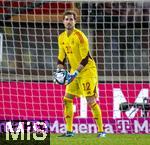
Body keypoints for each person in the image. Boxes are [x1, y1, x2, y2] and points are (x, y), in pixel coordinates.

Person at [56, 10, 105, 138]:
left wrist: (75, 73)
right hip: (74, 70)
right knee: (67, 99)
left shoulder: (80, 36)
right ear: (63, 21)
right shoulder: (61, 37)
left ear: (75, 21)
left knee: (90, 100)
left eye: (71, 19)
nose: (68, 21)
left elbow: (85, 58)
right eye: (66, 19)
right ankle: (69, 131)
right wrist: (59, 71)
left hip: (87, 70)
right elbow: (61, 58)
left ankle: (101, 131)